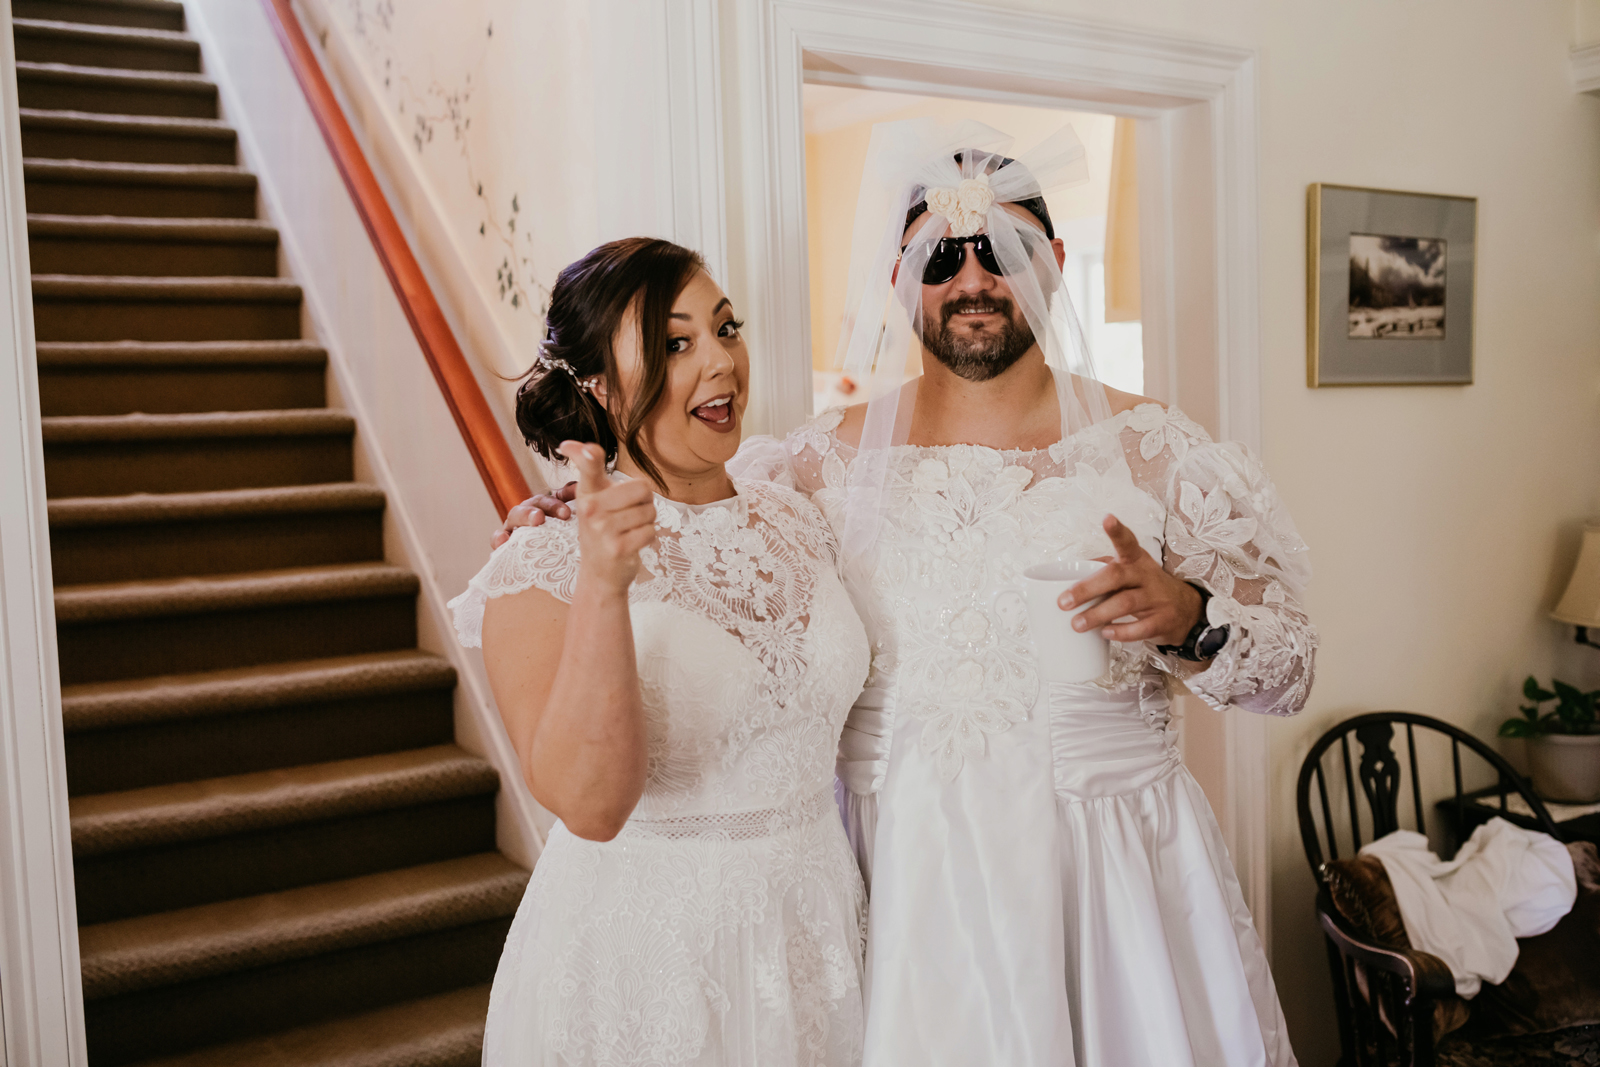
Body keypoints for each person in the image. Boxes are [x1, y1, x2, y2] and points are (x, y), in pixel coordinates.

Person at [499, 120, 1316, 1066]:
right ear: (899, 278)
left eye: (1002, 251)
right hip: (898, 888)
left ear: (1053, 262)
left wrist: (1192, 618)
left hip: (1110, 880)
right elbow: (692, 527)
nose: (972, 281)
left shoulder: (1161, 452)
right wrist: (561, 515)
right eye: (941, 258)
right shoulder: (809, 470)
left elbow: (1289, 667)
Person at [450, 237, 871, 1066]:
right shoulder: (539, 564)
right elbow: (591, 806)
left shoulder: (799, 515)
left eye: (725, 328)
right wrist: (605, 584)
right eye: (676, 344)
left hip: (819, 933)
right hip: (652, 963)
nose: (719, 362)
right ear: (599, 386)